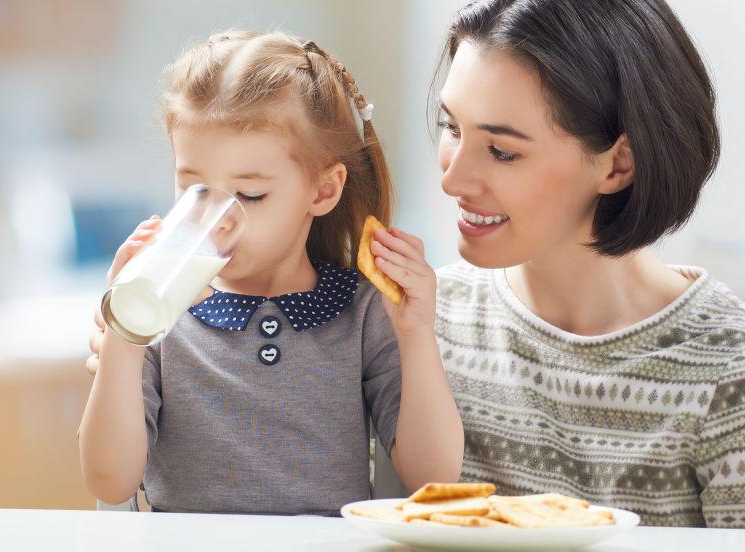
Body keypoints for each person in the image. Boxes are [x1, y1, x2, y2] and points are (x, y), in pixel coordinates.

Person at [79, 30, 463, 515]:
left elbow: (435, 477)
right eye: (194, 190)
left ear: (323, 191)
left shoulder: (361, 310)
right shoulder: (160, 309)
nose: (217, 220)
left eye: (251, 195)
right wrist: (124, 338)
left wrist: (415, 335)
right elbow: (110, 483)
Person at [430, 0, 745, 528]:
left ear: (619, 163)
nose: (452, 180)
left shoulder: (725, 367)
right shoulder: (425, 323)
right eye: (451, 128)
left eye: (502, 151)